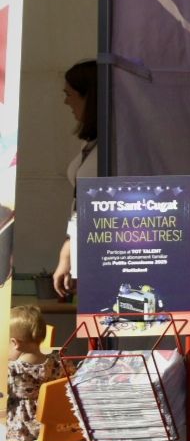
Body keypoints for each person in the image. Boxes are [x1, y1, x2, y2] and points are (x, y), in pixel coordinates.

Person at [52, 60, 98, 299]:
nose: (66, 101)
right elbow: (81, 207)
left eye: (69, 94)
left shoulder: (114, 146)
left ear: (88, 97)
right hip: (86, 247)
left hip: (106, 252)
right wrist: (69, 251)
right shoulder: (91, 144)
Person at [6, 304, 56, 441]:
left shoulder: (12, 371)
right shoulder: (57, 363)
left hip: (22, 432)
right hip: (54, 428)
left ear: (15, 343)